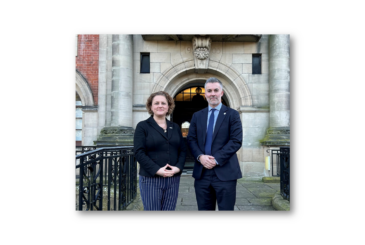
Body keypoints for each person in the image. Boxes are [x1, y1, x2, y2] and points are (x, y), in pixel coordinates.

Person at [187, 77, 242, 211]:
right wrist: (200, 157)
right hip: (202, 173)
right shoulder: (197, 116)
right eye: (209, 90)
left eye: (216, 90)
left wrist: (215, 159)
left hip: (225, 172)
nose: (213, 93)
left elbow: (236, 141)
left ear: (221, 93)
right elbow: (191, 139)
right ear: (205, 94)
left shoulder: (232, 115)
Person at [134, 91, 186, 211]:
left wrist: (178, 168)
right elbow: (139, 152)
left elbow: (182, 150)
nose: (160, 105)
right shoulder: (143, 126)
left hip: (173, 178)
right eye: (156, 103)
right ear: (151, 107)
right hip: (151, 179)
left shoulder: (175, 127)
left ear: (168, 106)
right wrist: (157, 170)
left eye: (163, 103)